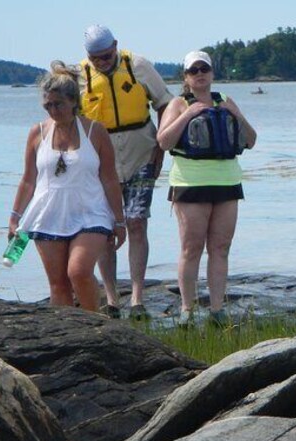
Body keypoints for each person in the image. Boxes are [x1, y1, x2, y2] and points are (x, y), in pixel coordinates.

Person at [9, 61, 126, 312]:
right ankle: (68, 335)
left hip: (90, 213)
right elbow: (28, 179)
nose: (52, 110)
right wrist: (15, 216)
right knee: (58, 284)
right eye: (47, 105)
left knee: (79, 271)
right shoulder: (37, 133)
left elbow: (109, 178)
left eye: (58, 104)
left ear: (74, 101)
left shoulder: (95, 132)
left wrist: (119, 220)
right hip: (48, 214)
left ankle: (95, 324)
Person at [80, 24, 174, 320]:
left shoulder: (139, 66)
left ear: (116, 46)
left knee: (136, 223)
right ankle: (111, 298)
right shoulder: (79, 76)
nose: (102, 62)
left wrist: (162, 144)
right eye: (96, 58)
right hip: (100, 162)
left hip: (142, 154)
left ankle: (137, 298)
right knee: (105, 230)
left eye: (106, 56)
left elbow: (167, 104)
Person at [157, 51, 257, 326]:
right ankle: (187, 309)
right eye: (194, 71)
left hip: (226, 183)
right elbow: (164, 142)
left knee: (221, 247)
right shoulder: (177, 104)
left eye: (205, 69)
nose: (200, 74)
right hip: (190, 185)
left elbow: (251, 140)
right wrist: (188, 114)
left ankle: (217, 309)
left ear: (212, 73)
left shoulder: (225, 101)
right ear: (186, 77)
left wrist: (236, 114)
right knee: (191, 248)